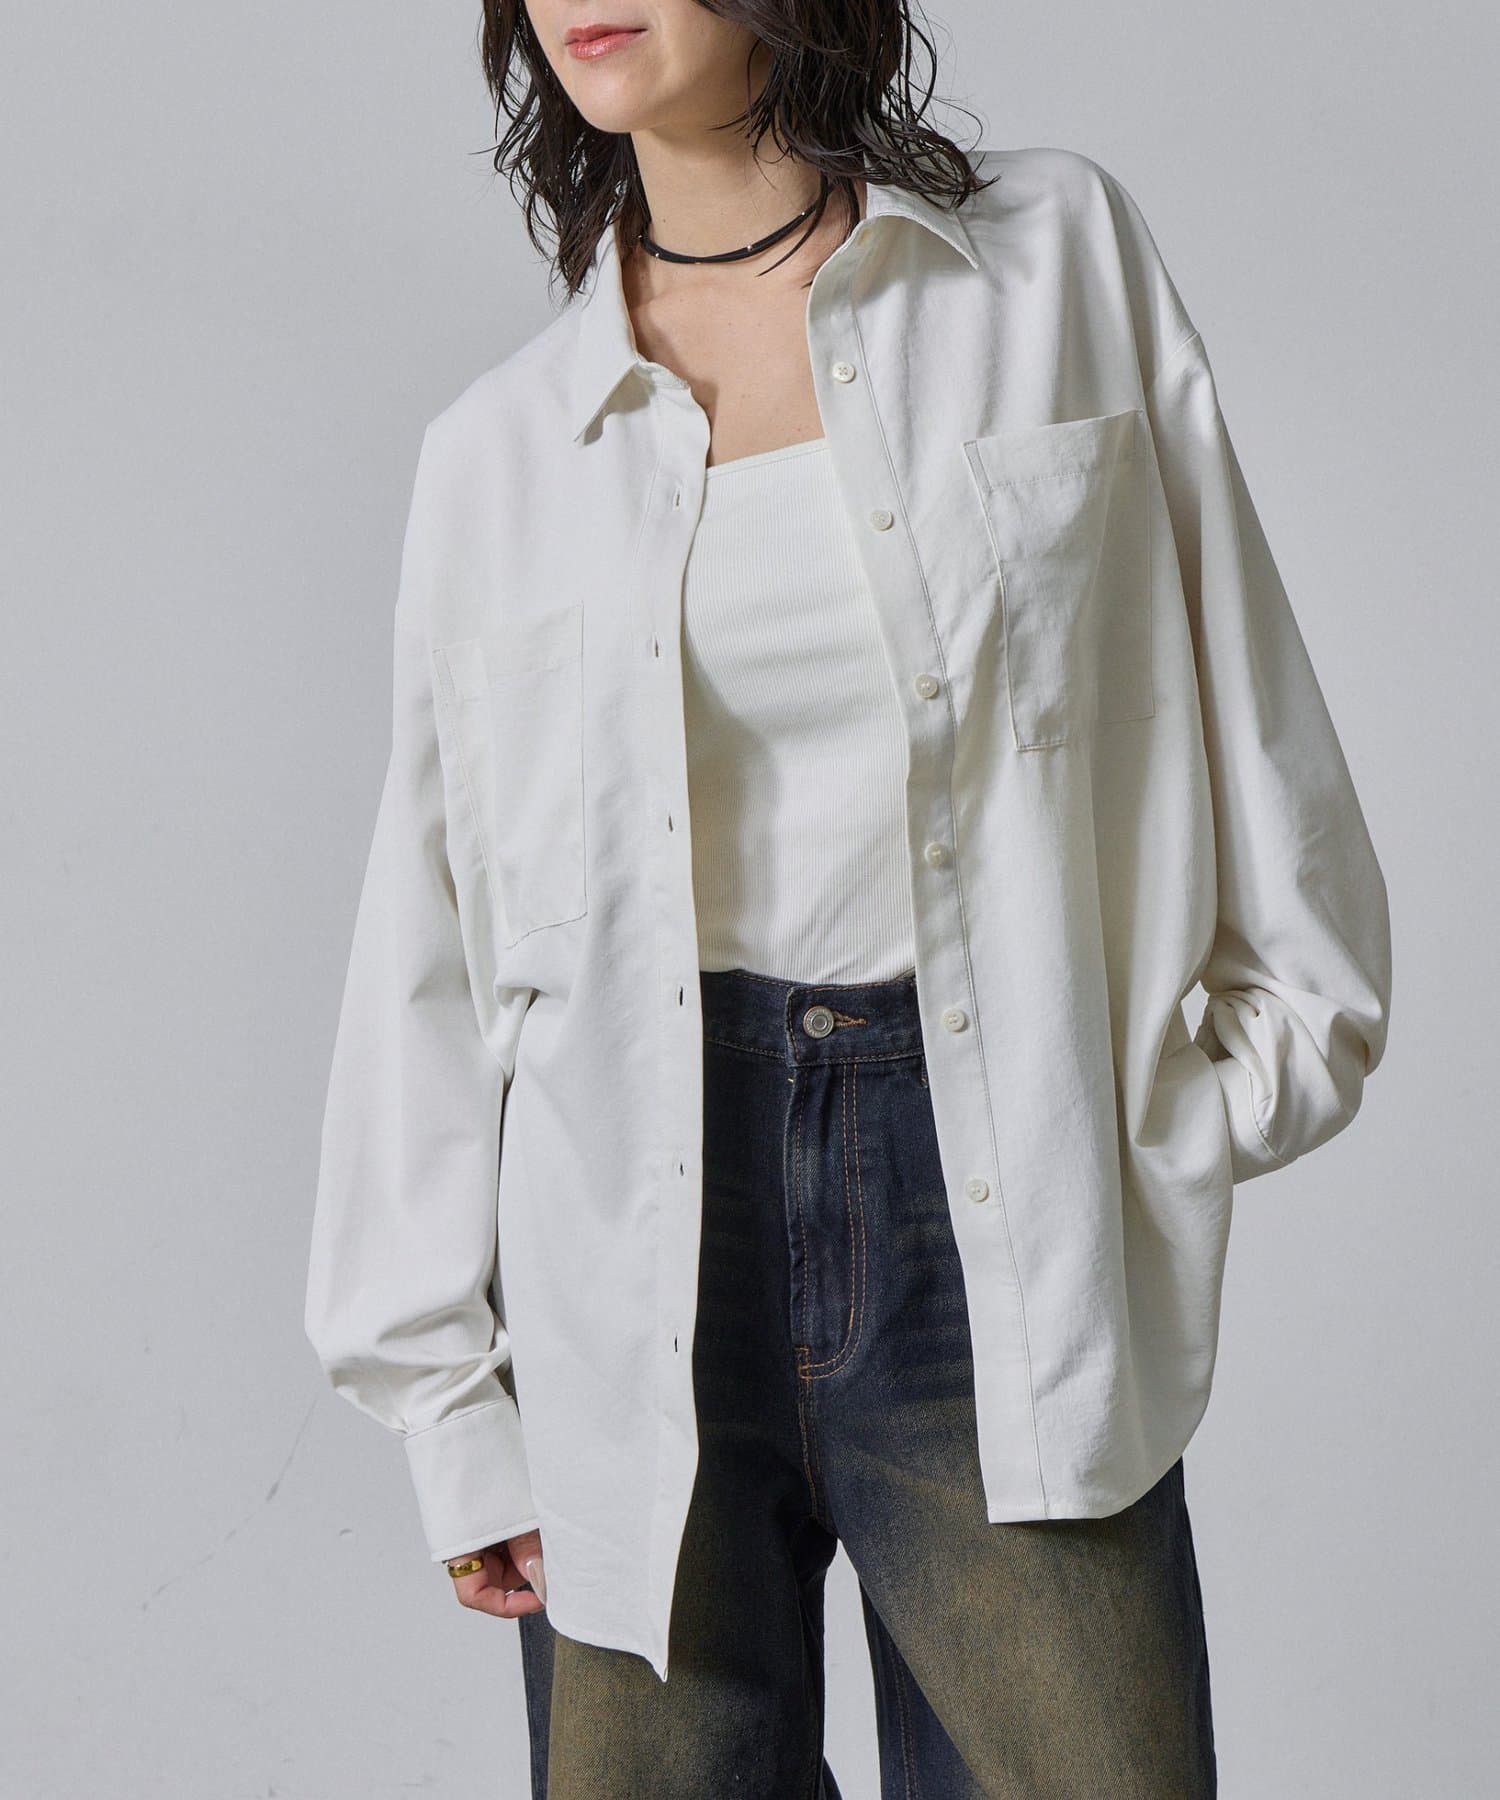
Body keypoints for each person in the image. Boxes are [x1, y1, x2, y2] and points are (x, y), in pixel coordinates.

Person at [303, 1, 1393, 1793]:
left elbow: (1244, 694)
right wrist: (446, 1405)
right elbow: (431, 945)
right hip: (630, 1249)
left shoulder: (1050, 266)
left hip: (996, 1208)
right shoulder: (500, 455)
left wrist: (1167, 1125)